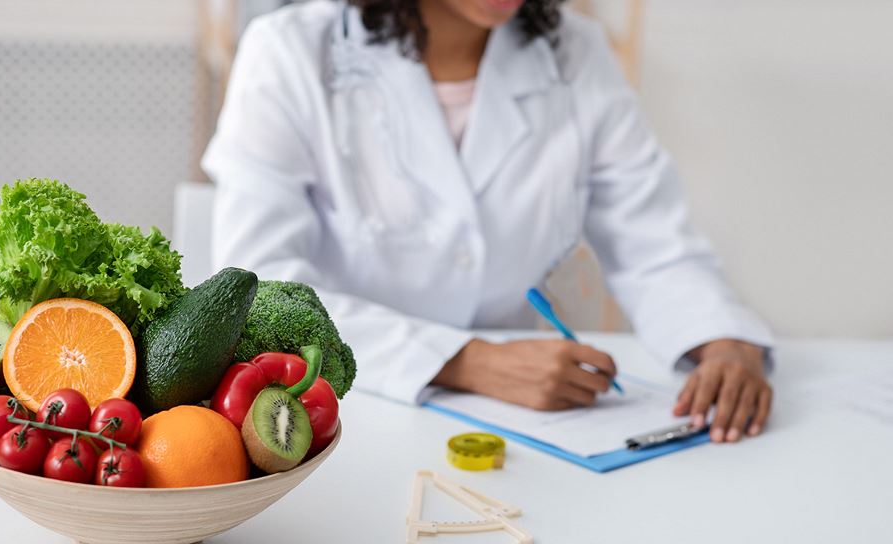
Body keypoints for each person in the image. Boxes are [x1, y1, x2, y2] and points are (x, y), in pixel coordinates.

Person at [202, 0, 774, 443]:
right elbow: (261, 287)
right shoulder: (288, 52)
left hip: (531, 422)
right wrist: (466, 360)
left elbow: (654, 244)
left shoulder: (577, 54)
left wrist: (722, 342)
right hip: (340, 414)